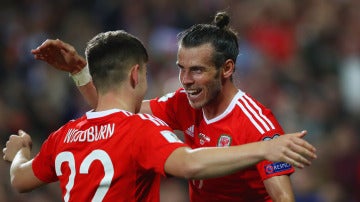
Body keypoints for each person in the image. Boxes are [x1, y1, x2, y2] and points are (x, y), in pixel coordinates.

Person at [30, 12, 315, 202]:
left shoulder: (257, 124)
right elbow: (113, 111)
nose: (186, 80)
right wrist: (81, 71)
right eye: (182, 69)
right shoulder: (183, 103)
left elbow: (283, 198)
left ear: (226, 69)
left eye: (197, 70)